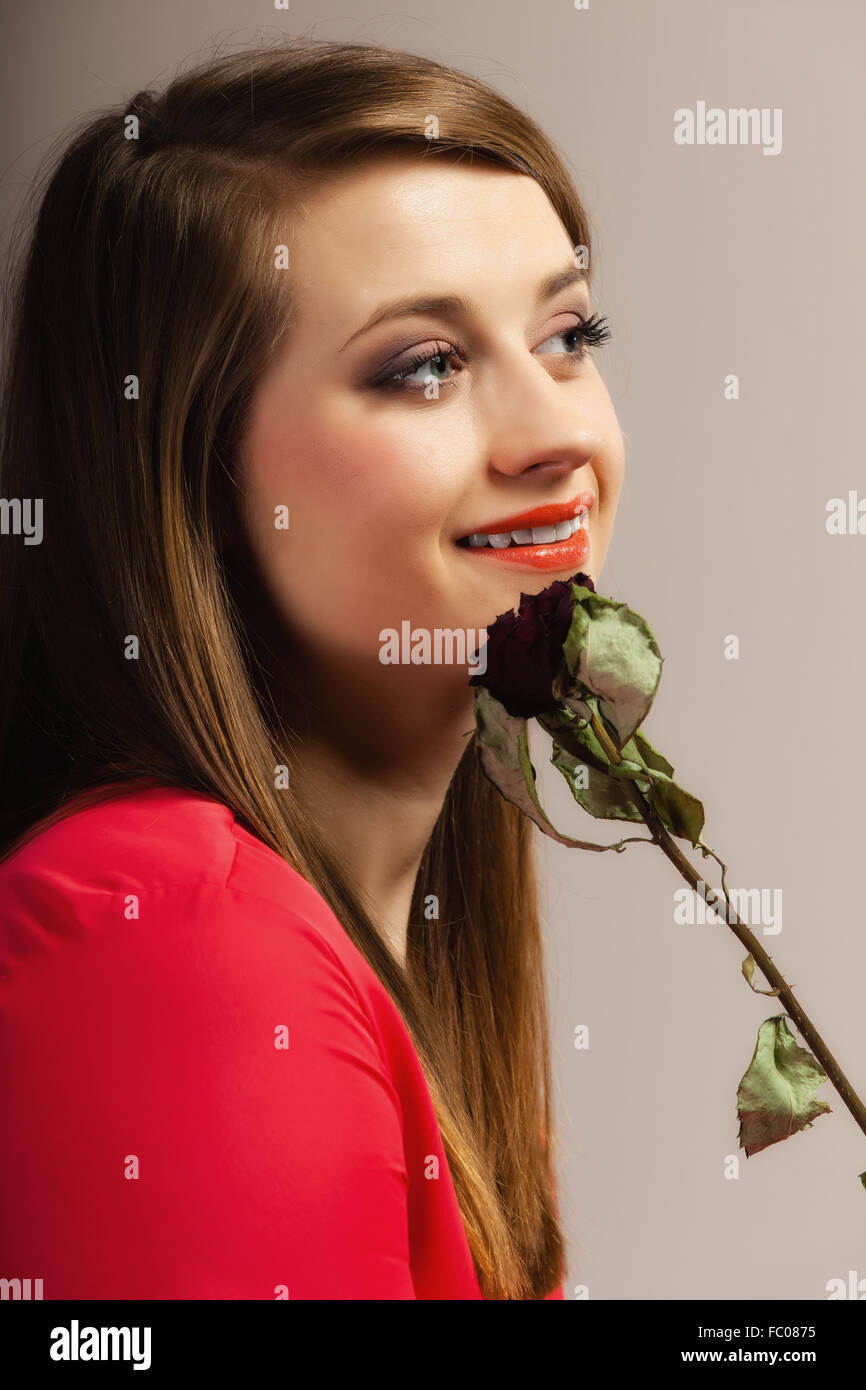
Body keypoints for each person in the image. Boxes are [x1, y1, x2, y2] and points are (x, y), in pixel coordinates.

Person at [0, 37, 624, 1300]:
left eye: (566, 333)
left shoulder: (413, 967)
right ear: (199, 473)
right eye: (422, 367)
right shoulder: (177, 941)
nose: (560, 432)